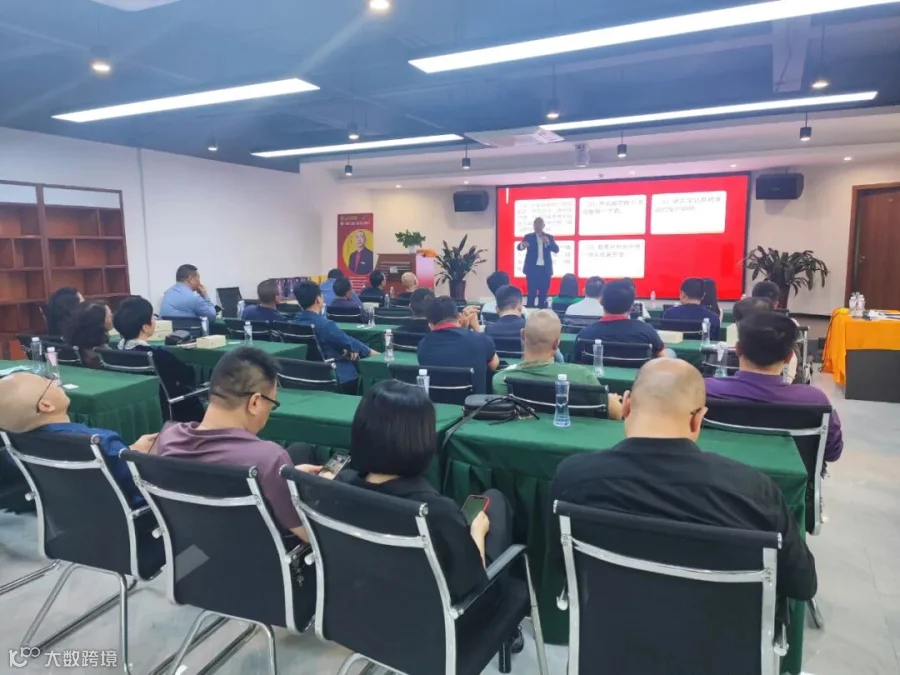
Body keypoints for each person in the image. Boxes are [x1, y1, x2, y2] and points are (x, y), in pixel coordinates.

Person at [549, 358, 817, 604]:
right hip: (721, 636)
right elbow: (802, 585)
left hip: (608, 630)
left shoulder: (573, 477)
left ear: (626, 405)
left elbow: (561, 563)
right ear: (698, 419)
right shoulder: (754, 492)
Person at [343, 380, 520, 645]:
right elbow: (474, 588)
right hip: (438, 627)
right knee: (494, 502)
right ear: (421, 440)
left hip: (362, 612)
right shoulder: (435, 512)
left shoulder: (340, 487)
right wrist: (477, 534)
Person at [155, 348, 325, 541]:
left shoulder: (169, 437)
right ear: (255, 403)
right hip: (256, 553)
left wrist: (281, 478)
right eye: (272, 404)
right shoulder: (268, 459)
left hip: (191, 551)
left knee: (299, 452)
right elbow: (310, 536)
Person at [0, 372, 158, 507]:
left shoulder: (15, 446)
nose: (53, 381)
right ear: (46, 405)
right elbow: (140, 484)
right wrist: (141, 456)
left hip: (65, 517)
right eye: (46, 382)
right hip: (128, 516)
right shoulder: (100, 441)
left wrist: (128, 452)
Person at [705, 310, 842, 463]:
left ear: (737, 349)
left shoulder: (705, 390)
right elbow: (832, 453)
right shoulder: (814, 400)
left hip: (719, 473)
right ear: (789, 357)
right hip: (788, 478)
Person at [492, 310, 624, 419]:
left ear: (522, 335)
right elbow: (617, 414)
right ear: (557, 344)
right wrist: (612, 400)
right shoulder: (582, 376)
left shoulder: (501, 380)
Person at [113, 297, 205, 422]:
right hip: (174, 409)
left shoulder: (115, 353)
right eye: (152, 317)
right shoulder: (158, 356)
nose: (155, 321)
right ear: (145, 327)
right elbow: (189, 376)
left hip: (139, 410)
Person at [292, 281, 378, 393]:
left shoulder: (294, 322)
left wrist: (348, 348)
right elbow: (349, 343)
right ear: (318, 299)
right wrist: (368, 351)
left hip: (307, 374)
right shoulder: (325, 325)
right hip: (336, 374)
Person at [418, 295, 499, 395]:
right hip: (473, 404)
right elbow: (494, 365)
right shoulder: (481, 340)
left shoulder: (422, 345)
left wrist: (463, 329)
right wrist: (477, 329)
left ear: (430, 325)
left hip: (435, 403)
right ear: (459, 317)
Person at [575, 280, 668, 360]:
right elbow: (664, 360)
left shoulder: (585, 334)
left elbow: (576, 361)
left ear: (601, 301)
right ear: (631, 306)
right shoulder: (647, 331)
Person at [517, 217, 559, 308]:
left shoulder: (549, 237)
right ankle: (530, 312)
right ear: (533, 225)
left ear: (543, 226)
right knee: (531, 294)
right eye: (536, 224)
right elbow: (519, 247)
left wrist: (548, 242)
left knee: (543, 295)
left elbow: (556, 249)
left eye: (540, 224)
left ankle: (542, 312)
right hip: (532, 270)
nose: (537, 226)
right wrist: (522, 245)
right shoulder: (528, 237)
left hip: (545, 270)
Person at [64, 301, 112, 368]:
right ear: (99, 323)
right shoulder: (104, 357)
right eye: (109, 316)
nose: (112, 316)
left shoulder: (71, 349)